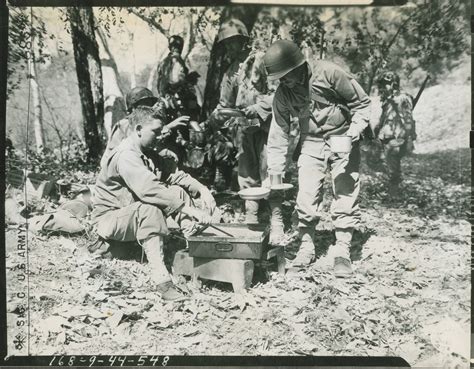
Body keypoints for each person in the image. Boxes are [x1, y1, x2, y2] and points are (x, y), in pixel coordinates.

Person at [263, 40, 371, 277]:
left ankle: (342, 249)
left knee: (344, 190)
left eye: (285, 76)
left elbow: (362, 104)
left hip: (343, 137)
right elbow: (278, 133)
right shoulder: (283, 94)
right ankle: (306, 247)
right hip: (310, 142)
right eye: (279, 78)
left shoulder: (329, 73)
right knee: (307, 195)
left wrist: (353, 134)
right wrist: (274, 173)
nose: (282, 81)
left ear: (298, 66)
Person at [92, 106, 216, 301]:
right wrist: (190, 209)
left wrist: (202, 189)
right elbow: (149, 189)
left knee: (176, 191)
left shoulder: (146, 151)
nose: (160, 136)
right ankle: (163, 283)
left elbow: (175, 175)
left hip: (129, 216)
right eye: (156, 132)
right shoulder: (126, 154)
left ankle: (193, 242)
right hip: (109, 221)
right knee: (150, 209)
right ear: (139, 129)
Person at [209, 19, 281, 236]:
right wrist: (216, 116)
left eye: (233, 42)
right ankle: (252, 218)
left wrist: (259, 106)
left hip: (267, 124)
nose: (230, 47)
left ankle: (277, 219)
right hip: (244, 125)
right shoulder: (231, 71)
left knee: (271, 170)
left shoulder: (263, 60)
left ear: (244, 41)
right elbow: (225, 103)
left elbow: (279, 93)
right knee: (247, 171)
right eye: (226, 44)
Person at [102, 87, 189, 168]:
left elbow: (147, 148)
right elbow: (136, 143)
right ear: (132, 108)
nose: (148, 108)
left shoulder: (146, 123)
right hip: (115, 167)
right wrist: (169, 127)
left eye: (150, 104)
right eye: (144, 105)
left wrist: (164, 152)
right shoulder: (125, 124)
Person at [375, 71, 417, 196]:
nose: (383, 87)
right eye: (382, 84)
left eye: (386, 84)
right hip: (387, 136)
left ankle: (394, 194)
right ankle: (393, 191)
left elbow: (408, 119)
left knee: (393, 166)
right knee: (388, 164)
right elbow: (384, 118)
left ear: (394, 84)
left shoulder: (403, 98)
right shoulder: (388, 99)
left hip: (397, 137)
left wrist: (409, 138)